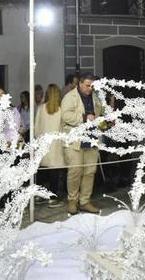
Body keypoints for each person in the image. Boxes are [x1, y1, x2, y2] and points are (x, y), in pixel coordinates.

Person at [60, 73, 103, 215]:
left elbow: (100, 115)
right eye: (87, 85)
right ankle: (72, 201)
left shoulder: (96, 97)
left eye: (92, 86)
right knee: (75, 172)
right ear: (80, 83)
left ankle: (85, 202)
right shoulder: (69, 97)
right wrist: (84, 118)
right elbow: (66, 116)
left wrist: (106, 122)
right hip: (75, 142)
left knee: (90, 172)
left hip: (92, 141)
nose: (90, 88)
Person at [33, 84, 65, 208]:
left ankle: (39, 196)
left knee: (41, 171)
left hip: (43, 144)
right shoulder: (61, 110)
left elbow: (36, 128)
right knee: (54, 172)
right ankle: (52, 198)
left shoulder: (41, 108)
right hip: (56, 146)